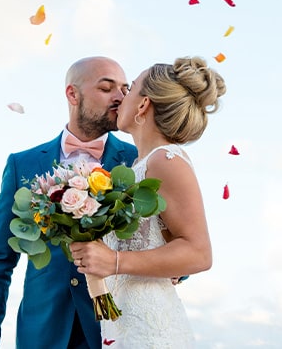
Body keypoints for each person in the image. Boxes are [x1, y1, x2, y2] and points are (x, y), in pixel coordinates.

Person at [0, 56, 137, 349]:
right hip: (42, 334)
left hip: (118, 330)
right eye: (106, 87)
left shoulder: (137, 161)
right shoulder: (23, 164)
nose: (120, 97)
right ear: (73, 94)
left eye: (125, 88)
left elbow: (173, 239)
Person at [69, 56, 226, 348]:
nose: (121, 97)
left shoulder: (166, 160)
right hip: (123, 329)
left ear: (143, 105)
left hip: (152, 333)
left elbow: (199, 253)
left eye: (131, 90)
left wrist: (114, 261)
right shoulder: (140, 168)